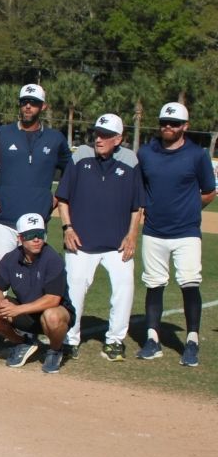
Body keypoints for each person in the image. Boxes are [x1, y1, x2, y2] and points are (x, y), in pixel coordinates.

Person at [0, 84, 71, 352]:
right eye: (24, 102)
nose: (27, 106)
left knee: (36, 280)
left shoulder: (55, 138)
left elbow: (70, 170)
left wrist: (58, 196)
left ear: (43, 107)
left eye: (33, 102)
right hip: (4, 218)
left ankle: (35, 327)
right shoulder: (0, 134)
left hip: (37, 224)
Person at [135, 102, 216, 367]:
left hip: (186, 232)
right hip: (153, 231)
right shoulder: (146, 153)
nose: (168, 127)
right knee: (154, 284)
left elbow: (209, 191)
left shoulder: (197, 155)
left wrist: (189, 209)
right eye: (164, 123)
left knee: (189, 283)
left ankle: (191, 341)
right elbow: (140, 188)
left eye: (174, 123)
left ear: (185, 126)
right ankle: (152, 340)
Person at [55, 114, 142, 361]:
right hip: (80, 243)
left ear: (119, 139)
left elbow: (137, 205)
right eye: (98, 133)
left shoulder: (130, 160)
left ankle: (115, 340)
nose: (99, 139)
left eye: (106, 135)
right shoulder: (80, 156)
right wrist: (67, 228)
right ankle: (70, 339)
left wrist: (132, 235)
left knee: (124, 289)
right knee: (73, 291)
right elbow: (63, 198)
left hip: (117, 245)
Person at [0, 213, 75, 374]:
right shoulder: (10, 259)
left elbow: (52, 299)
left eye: (40, 234)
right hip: (25, 314)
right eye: (30, 236)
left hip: (54, 313)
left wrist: (17, 310)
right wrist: (1, 304)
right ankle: (23, 342)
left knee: (52, 316)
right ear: (20, 238)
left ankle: (55, 350)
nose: (36, 240)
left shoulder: (53, 259)